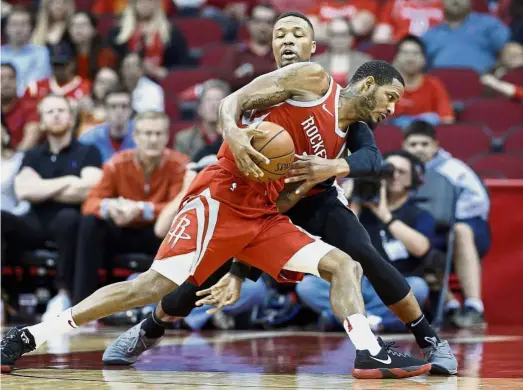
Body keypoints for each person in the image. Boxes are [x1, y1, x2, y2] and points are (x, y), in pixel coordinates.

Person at [0, 17, 433, 380]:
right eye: (391, 97)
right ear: (368, 83)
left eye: (296, 35)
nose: (393, 108)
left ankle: (367, 351)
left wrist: (242, 271)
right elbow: (232, 101)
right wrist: (235, 137)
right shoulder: (314, 79)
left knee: (344, 265)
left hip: (262, 211)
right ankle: (30, 335)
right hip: (221, 196)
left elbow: (366, 161)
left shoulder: (348, 134)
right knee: (153, 287)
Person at [297, 150, 435, 332]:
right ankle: (375, 321)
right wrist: (350, 205)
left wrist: (385, 215)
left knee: (418, 287)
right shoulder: (359, 208)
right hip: (354, 281)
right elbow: (338, 245)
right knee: (307, 286)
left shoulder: (419, 214)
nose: (392, 175)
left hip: (392, 284)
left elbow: (421, 248)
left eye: (401, 172)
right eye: (387, 170)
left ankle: (347, 319)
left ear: (412, 180)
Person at [1, 94, 102, 321]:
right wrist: (68, 181)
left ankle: (63, 295)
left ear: (71, 118)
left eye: (61, 111)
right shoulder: (32, 154)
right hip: (34, 221)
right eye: (50, 112)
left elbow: (89, 188)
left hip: (68, 224)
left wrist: (43, 188)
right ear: (43, 122)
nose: (56, 115)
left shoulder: (88, 151)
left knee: (69, 218)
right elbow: (25, 191)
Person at [73, 111, 190, 304]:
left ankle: (175, 306)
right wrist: (110, 207)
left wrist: (141, 209)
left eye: (158, 134)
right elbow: (90, 203)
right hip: (122, 230)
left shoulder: (180, 165)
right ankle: (82, 303)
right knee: (89, 223)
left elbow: (177, 208)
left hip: (158, 234)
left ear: (167, 136)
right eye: (147, 133)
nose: (153, 139)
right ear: (135, 137)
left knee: (180, 227)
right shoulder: (117, 164)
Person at [403, 121, 490, 327]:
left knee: (459, 231)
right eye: (413, 144)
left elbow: (479, 201)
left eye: (425, 144)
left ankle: (473, 306)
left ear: (435, 145)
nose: (419, 149)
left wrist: (448, 218)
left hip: (467, 227)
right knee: (412, 240)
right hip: (428, 230)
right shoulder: (401, 169)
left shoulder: (454, 169)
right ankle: (451, 306)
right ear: (404, 146)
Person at [422, 0, 510, 73]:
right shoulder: (430, 35)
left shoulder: (489, 25)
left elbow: (510, 50)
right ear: (442, 2)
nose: (455, 1)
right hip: (441, 88)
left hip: (480, 87)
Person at [391, 34, 454, 128]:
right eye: (405, 53)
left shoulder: (434, 85)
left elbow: (447, 119)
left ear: (424, 59)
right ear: (397, 58)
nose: (410, 59)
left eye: (415, 53)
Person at [1, 7, 52, 96]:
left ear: (31, 28)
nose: (19, 29)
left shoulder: (41, 53)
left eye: (23, 24)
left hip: (30, 102)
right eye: (14, 24)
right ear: (6, 28)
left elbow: (37, 83)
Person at [23, 41, 92, 107]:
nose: (58, 69)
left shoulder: (85, 87)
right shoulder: (36, 87)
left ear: (72, 63)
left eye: (62, 65)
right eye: (55, 65)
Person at [175, 79, 230, 159]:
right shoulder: (184, 139)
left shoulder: (236, 136)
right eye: (208, 100)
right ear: (199, 108)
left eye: (218, 100)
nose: (213, 105)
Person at [79, 88, 136, 162]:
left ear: (131, 110)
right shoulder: (88, 139)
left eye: (124, 106)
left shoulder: (144, 135)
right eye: (113, 106)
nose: (119, 111)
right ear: (105, 109)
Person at [312, 17, 372, 86]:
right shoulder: (316, 63)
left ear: (351, 37)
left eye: (343, 34)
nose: (339, 39)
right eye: (334, 34)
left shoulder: (365, 62)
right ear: (328, 37)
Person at [1, 63, 40, 150]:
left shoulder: (29, 107)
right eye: (1, 78)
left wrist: (12, 161)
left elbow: (31, 139)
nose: (6, 82)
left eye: (11, 78)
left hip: (20, 159)